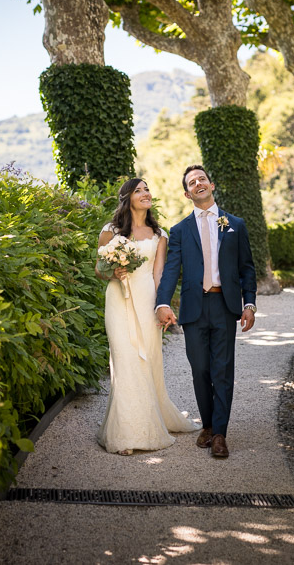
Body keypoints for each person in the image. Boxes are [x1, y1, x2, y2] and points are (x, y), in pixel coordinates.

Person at [155, 165, 257, 458]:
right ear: (187, 194)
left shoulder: (235, 224)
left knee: (222, 370)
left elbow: (246, 268)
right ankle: (209, 424)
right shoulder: (179, 230)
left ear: (211, 185)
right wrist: (163, 303)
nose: (198, 183)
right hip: (194, 309)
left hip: (225, 307)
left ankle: (220, 434)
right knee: (200, 369)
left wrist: (248, 303)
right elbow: (171, 270)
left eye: (202, 179)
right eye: (192, 182)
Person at [96, 178, 198, 456]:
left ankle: (148, 421)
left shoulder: (159, 234)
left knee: (148, 360)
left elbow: (160, 274)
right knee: (125, 360)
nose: (145, 193)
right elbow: (99, 269)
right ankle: (125, 434)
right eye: (139, 190)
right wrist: (113, 271)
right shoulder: (111, 230)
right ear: (127, 197)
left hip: (147, 300)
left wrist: (162, 306)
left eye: (147, 189)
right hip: (118, 300)